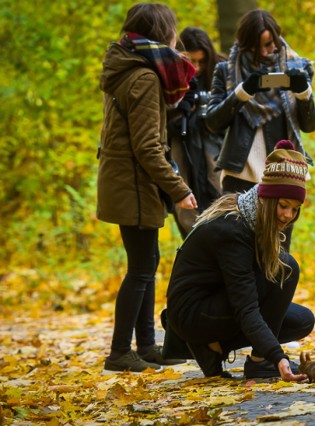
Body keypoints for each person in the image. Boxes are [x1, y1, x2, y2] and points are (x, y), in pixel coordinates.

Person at [97, 2, 198, 372]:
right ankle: (120, 352)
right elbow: (147, 146)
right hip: (134, 185)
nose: (176, 38)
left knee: (146, 263)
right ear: (161, 34)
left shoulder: (127, 68)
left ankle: (145, 346)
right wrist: (178, 188)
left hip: (128, 181)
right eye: (172, 30)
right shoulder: (144, 77)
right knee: (141, 267)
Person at [164, 140, 315, 380]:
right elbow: (245, 307)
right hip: (191, 313)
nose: (288, 215)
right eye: (283, 205)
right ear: (266, 198)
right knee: (285, 269)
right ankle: (258, 361)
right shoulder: (233, 229)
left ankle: (215, 347)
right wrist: (276, 356)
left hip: (217, 301)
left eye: (295, 209)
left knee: (302, 320)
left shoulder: (252, 217)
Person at [203, 9, 315, 195]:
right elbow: (212, 123)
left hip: (284, 170)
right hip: (239, 173)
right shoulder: (226, 71)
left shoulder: (299, 67)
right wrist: (243, 91)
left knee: (280, 224)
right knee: (235, 224)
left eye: (269, 44)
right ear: (245, 45)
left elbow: (310, 125)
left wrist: (303, 93)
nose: (265, 52)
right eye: (257, 48)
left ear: (277, 37)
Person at [169, 27, 227, 238]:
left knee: (220, 195)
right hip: (181, 145)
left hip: (216, 145)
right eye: (191, 61)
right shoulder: (168, 75)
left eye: (201, 61)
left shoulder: (222, 69)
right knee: (186, 203)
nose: (197, 67)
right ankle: (195, 247)